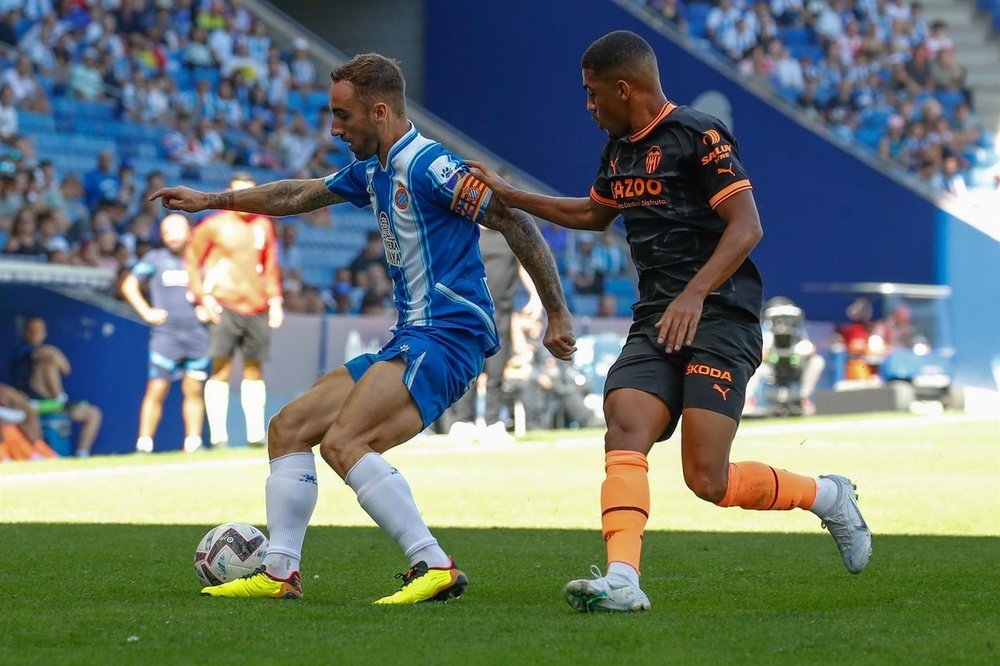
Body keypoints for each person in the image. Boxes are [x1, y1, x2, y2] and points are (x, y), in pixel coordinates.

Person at [149, 52, 575, 603]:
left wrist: (558, 311)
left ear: (379, 111)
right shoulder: (374, 169)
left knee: (347, 442)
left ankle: (433, 564)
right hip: (412, 336)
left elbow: (514, 219)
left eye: (342, 116)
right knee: (289, 427)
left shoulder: (429, 166)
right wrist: (214, 201)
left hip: (447, 335)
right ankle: (280, 571)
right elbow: (297, 194)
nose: (334, 128)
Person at [468, 30, 871, 613]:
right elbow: (591, 213)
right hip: (657, 319)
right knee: (625, 424)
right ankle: (623, 580)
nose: (588, 106)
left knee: (707, 479)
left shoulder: (698, 134)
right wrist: (511, 194)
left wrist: (695, 295)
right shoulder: (618, 150)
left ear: (623, 87)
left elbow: (747, 225)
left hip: (721, 314)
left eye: (591, 93)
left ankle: (829, 496)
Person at [184, 173, 284, 448]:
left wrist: (275, 301)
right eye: (239, 193)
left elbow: (271, 266)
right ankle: (219, 438)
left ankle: (255, 435)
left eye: (250, 193)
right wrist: (203, 298)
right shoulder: (212, 225)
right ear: (229, 192)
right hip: (224, 305)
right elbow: (191, 261)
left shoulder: (263, 224)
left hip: (257, 306)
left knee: (254, 369)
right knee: (221, 369)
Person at [120, 213, 211, 454]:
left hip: (196, 334)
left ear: (189, 232)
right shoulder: (154, 258)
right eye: (167, 232)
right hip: (166, 335)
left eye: (177, 231)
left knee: (193, 390)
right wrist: (146, 311)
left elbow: (217, 287)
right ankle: (144, 443)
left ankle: (193, 442)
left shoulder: (200, 259)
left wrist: (208, 308)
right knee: (156, 388)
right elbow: (128, 285)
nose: (172, 237)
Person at [444, 222, 542, 444]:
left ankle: (492, 423)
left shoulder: (509, 233)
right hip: (470, 311)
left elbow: (525, 265)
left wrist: (536, 296)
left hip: (502, 314)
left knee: (497, 371)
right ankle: (462, 422)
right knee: (469, 368)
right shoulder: (466, 233)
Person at [9, 317, 103, 457]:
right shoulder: (22, 352)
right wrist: (53, 354)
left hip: (56, 404)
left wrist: (54, 354)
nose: (36, 333)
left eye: (40, 330)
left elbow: (66, 369)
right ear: (25, 332)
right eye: (33, 330)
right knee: (47, 363)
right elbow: (45, 356)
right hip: (32, 405)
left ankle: (81, 454)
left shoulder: (49, 352)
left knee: (94, 414)